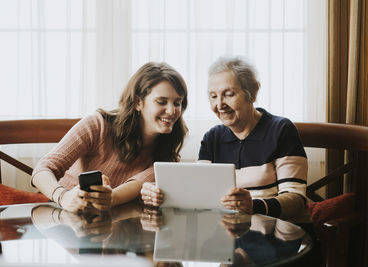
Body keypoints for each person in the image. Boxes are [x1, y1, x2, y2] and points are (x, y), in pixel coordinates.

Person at [141, 56, 308, 220]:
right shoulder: (213, 138)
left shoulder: (281, 130)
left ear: (253, 92)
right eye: (213, 96)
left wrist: (253, 206)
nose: (219, 105)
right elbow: (197, 193)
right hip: (225, 238)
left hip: (273, 235)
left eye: (228, 94)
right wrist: (158, 192)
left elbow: (296, 200)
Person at [31, 62, 188, 212]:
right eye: (162, 102)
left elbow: (128, 190)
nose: (172, 111)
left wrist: (109, 198)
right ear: (138, 102)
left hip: (107, 227)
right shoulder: (97, 125)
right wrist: (63, 196)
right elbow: (42, 169)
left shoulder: (167, 157)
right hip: (60, 215)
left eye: (177, 103)